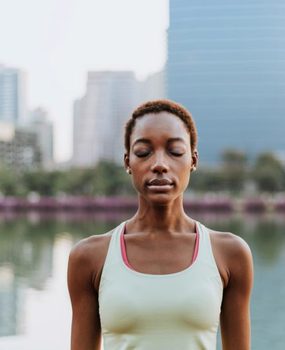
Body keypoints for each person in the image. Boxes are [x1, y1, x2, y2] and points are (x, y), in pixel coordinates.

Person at [67, 99, 254, 350]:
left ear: (193, 160)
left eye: (175, 151)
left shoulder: (230, 253)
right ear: (127, 162)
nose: (159, 164)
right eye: (143, 152)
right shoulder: (89, 257)